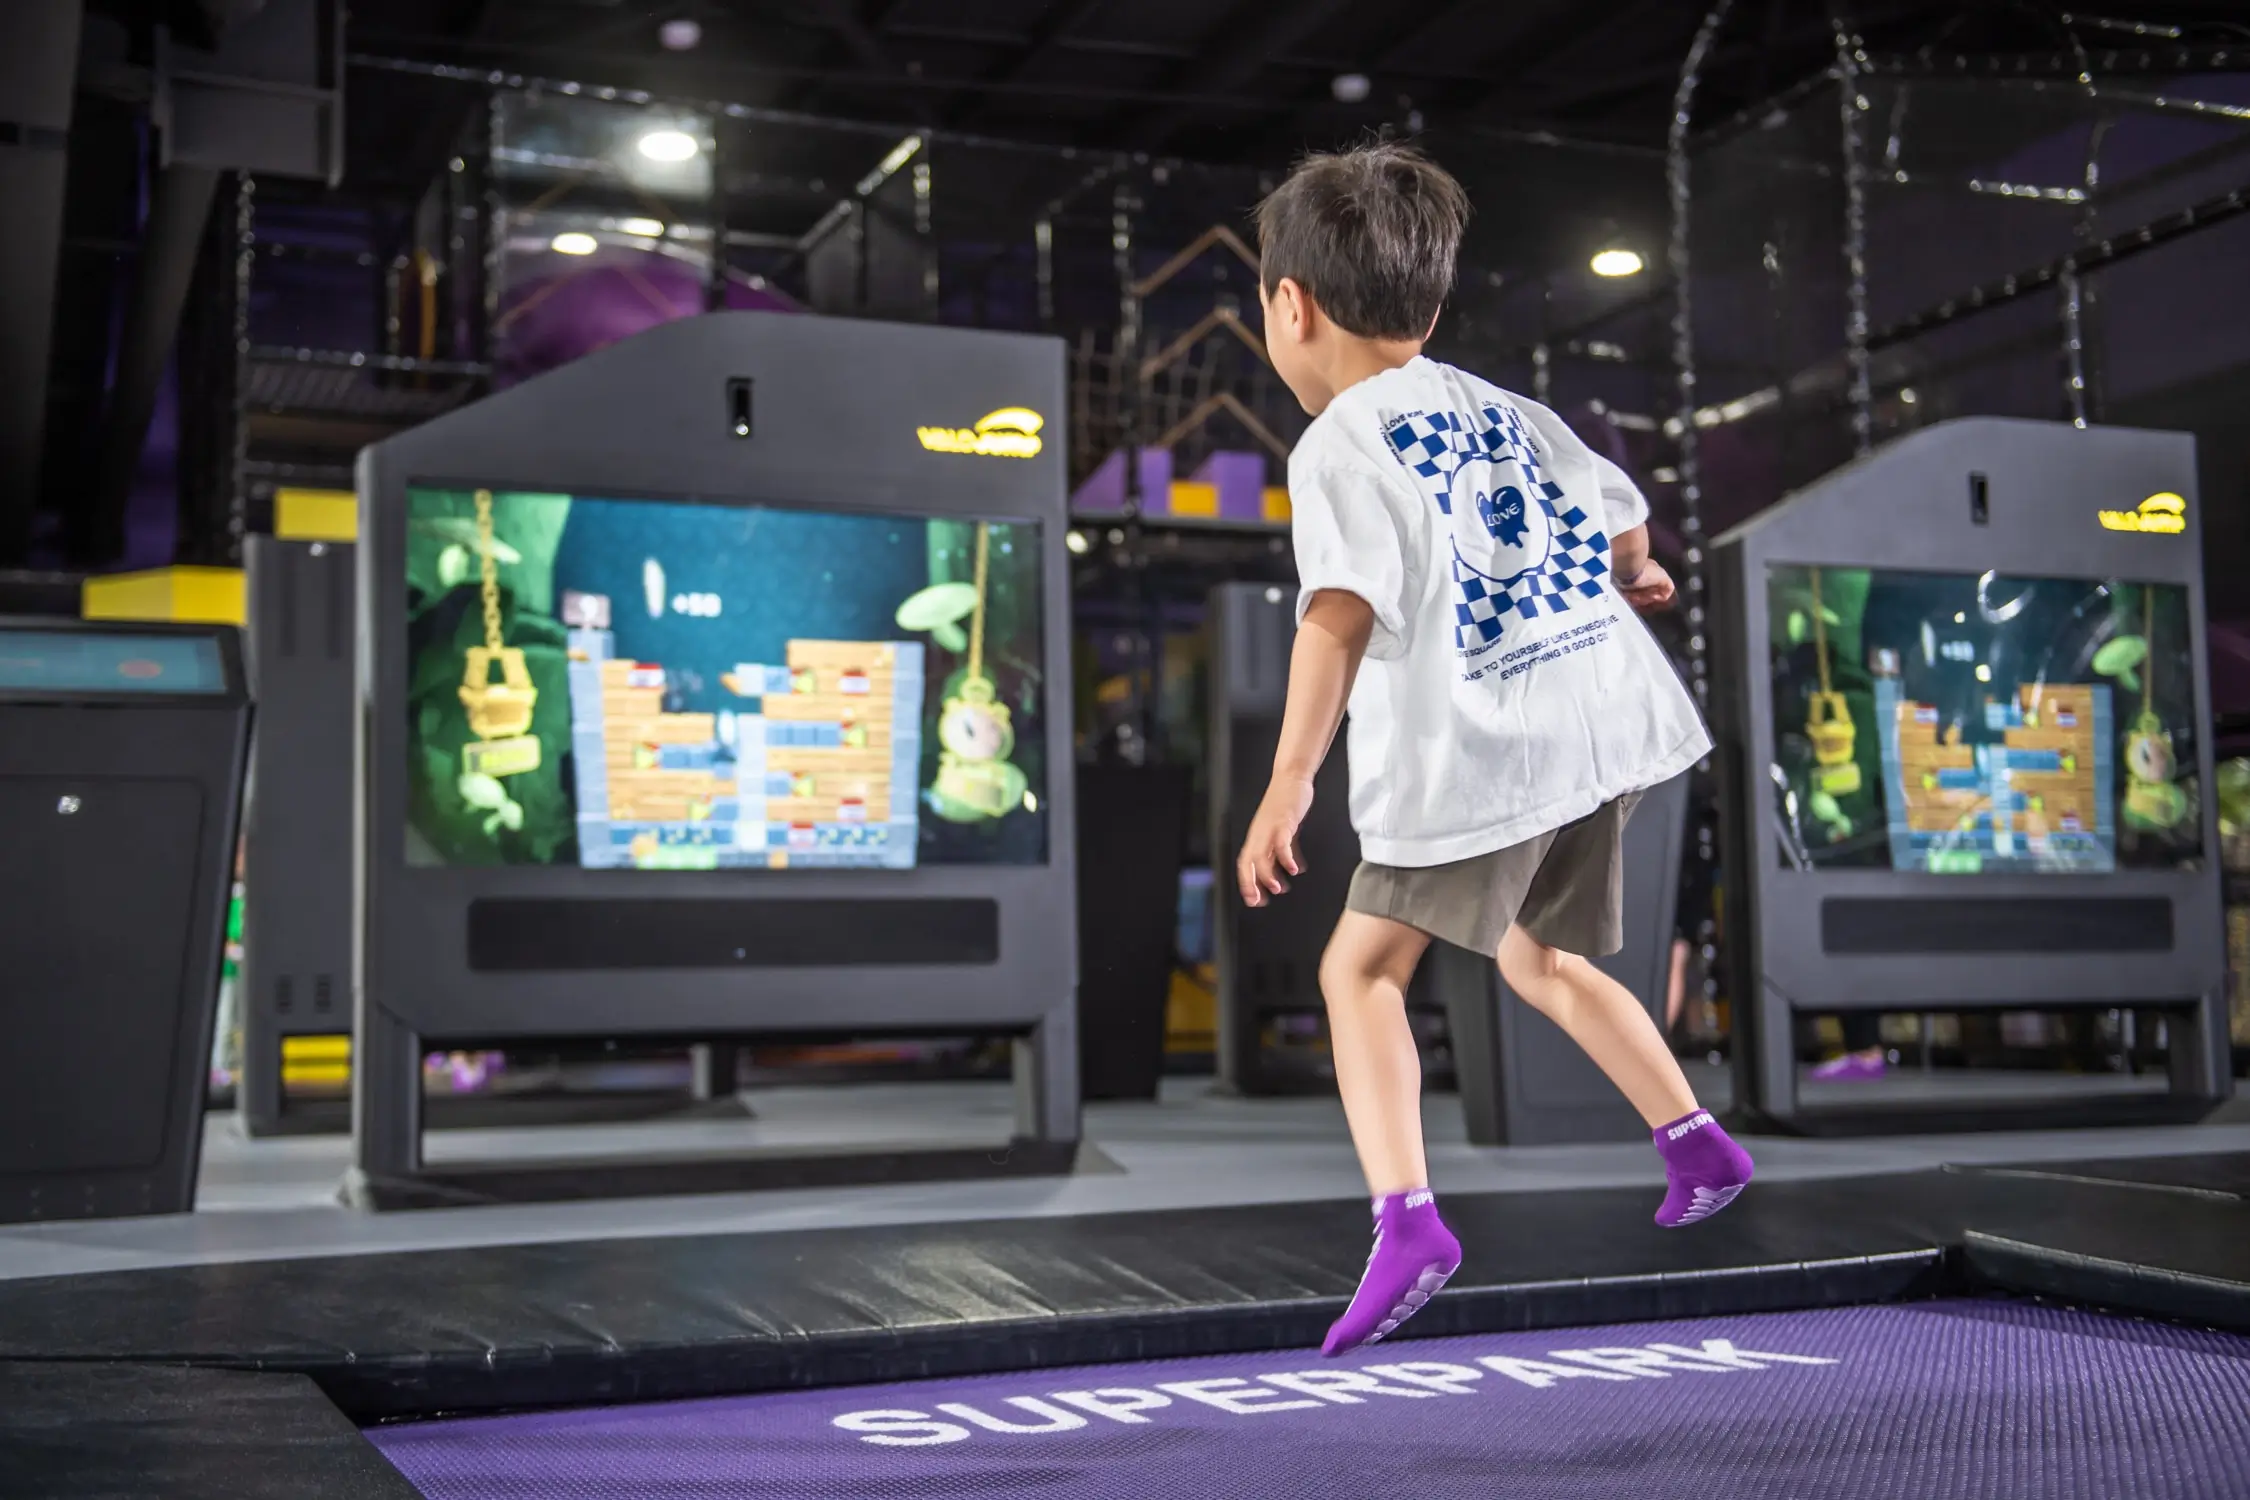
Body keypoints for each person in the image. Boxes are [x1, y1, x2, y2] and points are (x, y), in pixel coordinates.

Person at [1236, 143, 1756, 1359]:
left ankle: (1409, 1223)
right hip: (1601, 729)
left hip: (1495, 750)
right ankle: (1697, 1140)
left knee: (1358, 974)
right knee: (1542, 959)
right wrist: (1639, 577)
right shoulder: (1505, 407)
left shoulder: (1338, 446)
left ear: (1291, 307)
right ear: (1427, 303)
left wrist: (1289, 780)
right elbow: (1622, 510)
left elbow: (1339, 614)